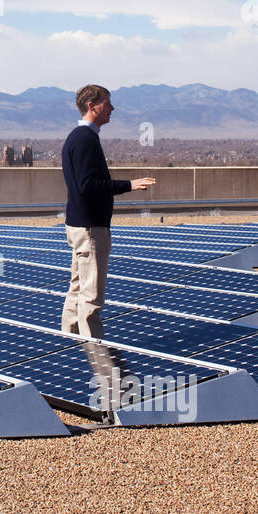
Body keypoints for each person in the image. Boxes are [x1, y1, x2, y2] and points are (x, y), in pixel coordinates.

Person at [60, 84, 156, 339]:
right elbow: (88, 185)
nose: (112, 108)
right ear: (92, 106)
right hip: (90, 228)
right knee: (91, 297)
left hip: (81, 224)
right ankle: (95, 353)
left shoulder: (80, 137)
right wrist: (129, 185)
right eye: (107, 103)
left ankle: (68, 345)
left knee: (77, 289)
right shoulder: (84, 139)